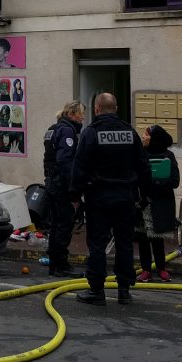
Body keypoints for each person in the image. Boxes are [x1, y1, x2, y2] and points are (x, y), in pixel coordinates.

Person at [70, 93, 149, 305]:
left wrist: (75, 195)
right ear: (115, 108)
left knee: (97, 243)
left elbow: (80, 166)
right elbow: (143, 166)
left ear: (97, 109)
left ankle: (97, 290)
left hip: (99, 197)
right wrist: (144, 196)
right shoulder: (129, 133)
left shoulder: (91, 133)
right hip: (126, 197)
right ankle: (124, 289)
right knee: (124, 242)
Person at [135, 124, 180, 283]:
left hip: (159, 203)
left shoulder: (169, 156)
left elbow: (175, 181)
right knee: (143, 238)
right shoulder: (141, 154)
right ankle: (146, 270)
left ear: (154, 138)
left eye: (146, 135)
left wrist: (156, 183)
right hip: (143, 203)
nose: (143, 137)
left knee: (157, 238)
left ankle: (161, 269)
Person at [45, 101, 85, 277]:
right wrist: (73, 189)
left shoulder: (53, 128)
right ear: (71, 114)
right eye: (80, 113)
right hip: (61, 185)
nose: (83, 117)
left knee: (55, 224)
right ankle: (60, 263)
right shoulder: (67, 131)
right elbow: (65, 161)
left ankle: (54, 263)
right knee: (64, 224)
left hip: (52, 183)